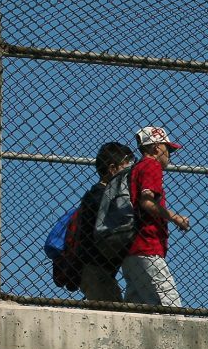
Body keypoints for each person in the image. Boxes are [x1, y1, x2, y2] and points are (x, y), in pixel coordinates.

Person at [121, 126, 192, 307]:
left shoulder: (135, 169)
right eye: (168, 149)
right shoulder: (151, 165)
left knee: (136, 308)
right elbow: (147, 202)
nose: (169, 155)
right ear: (156, 148)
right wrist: (175, 217)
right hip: (147, 247)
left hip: (131, 251)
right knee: (171, 305)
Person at [76, 141, 136, 302]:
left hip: (98, 268)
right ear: (112, 169)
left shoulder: (102, 195)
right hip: (94, 268)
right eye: (126, 168)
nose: (130, 175)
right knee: (112, 310)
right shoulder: (101, 197)